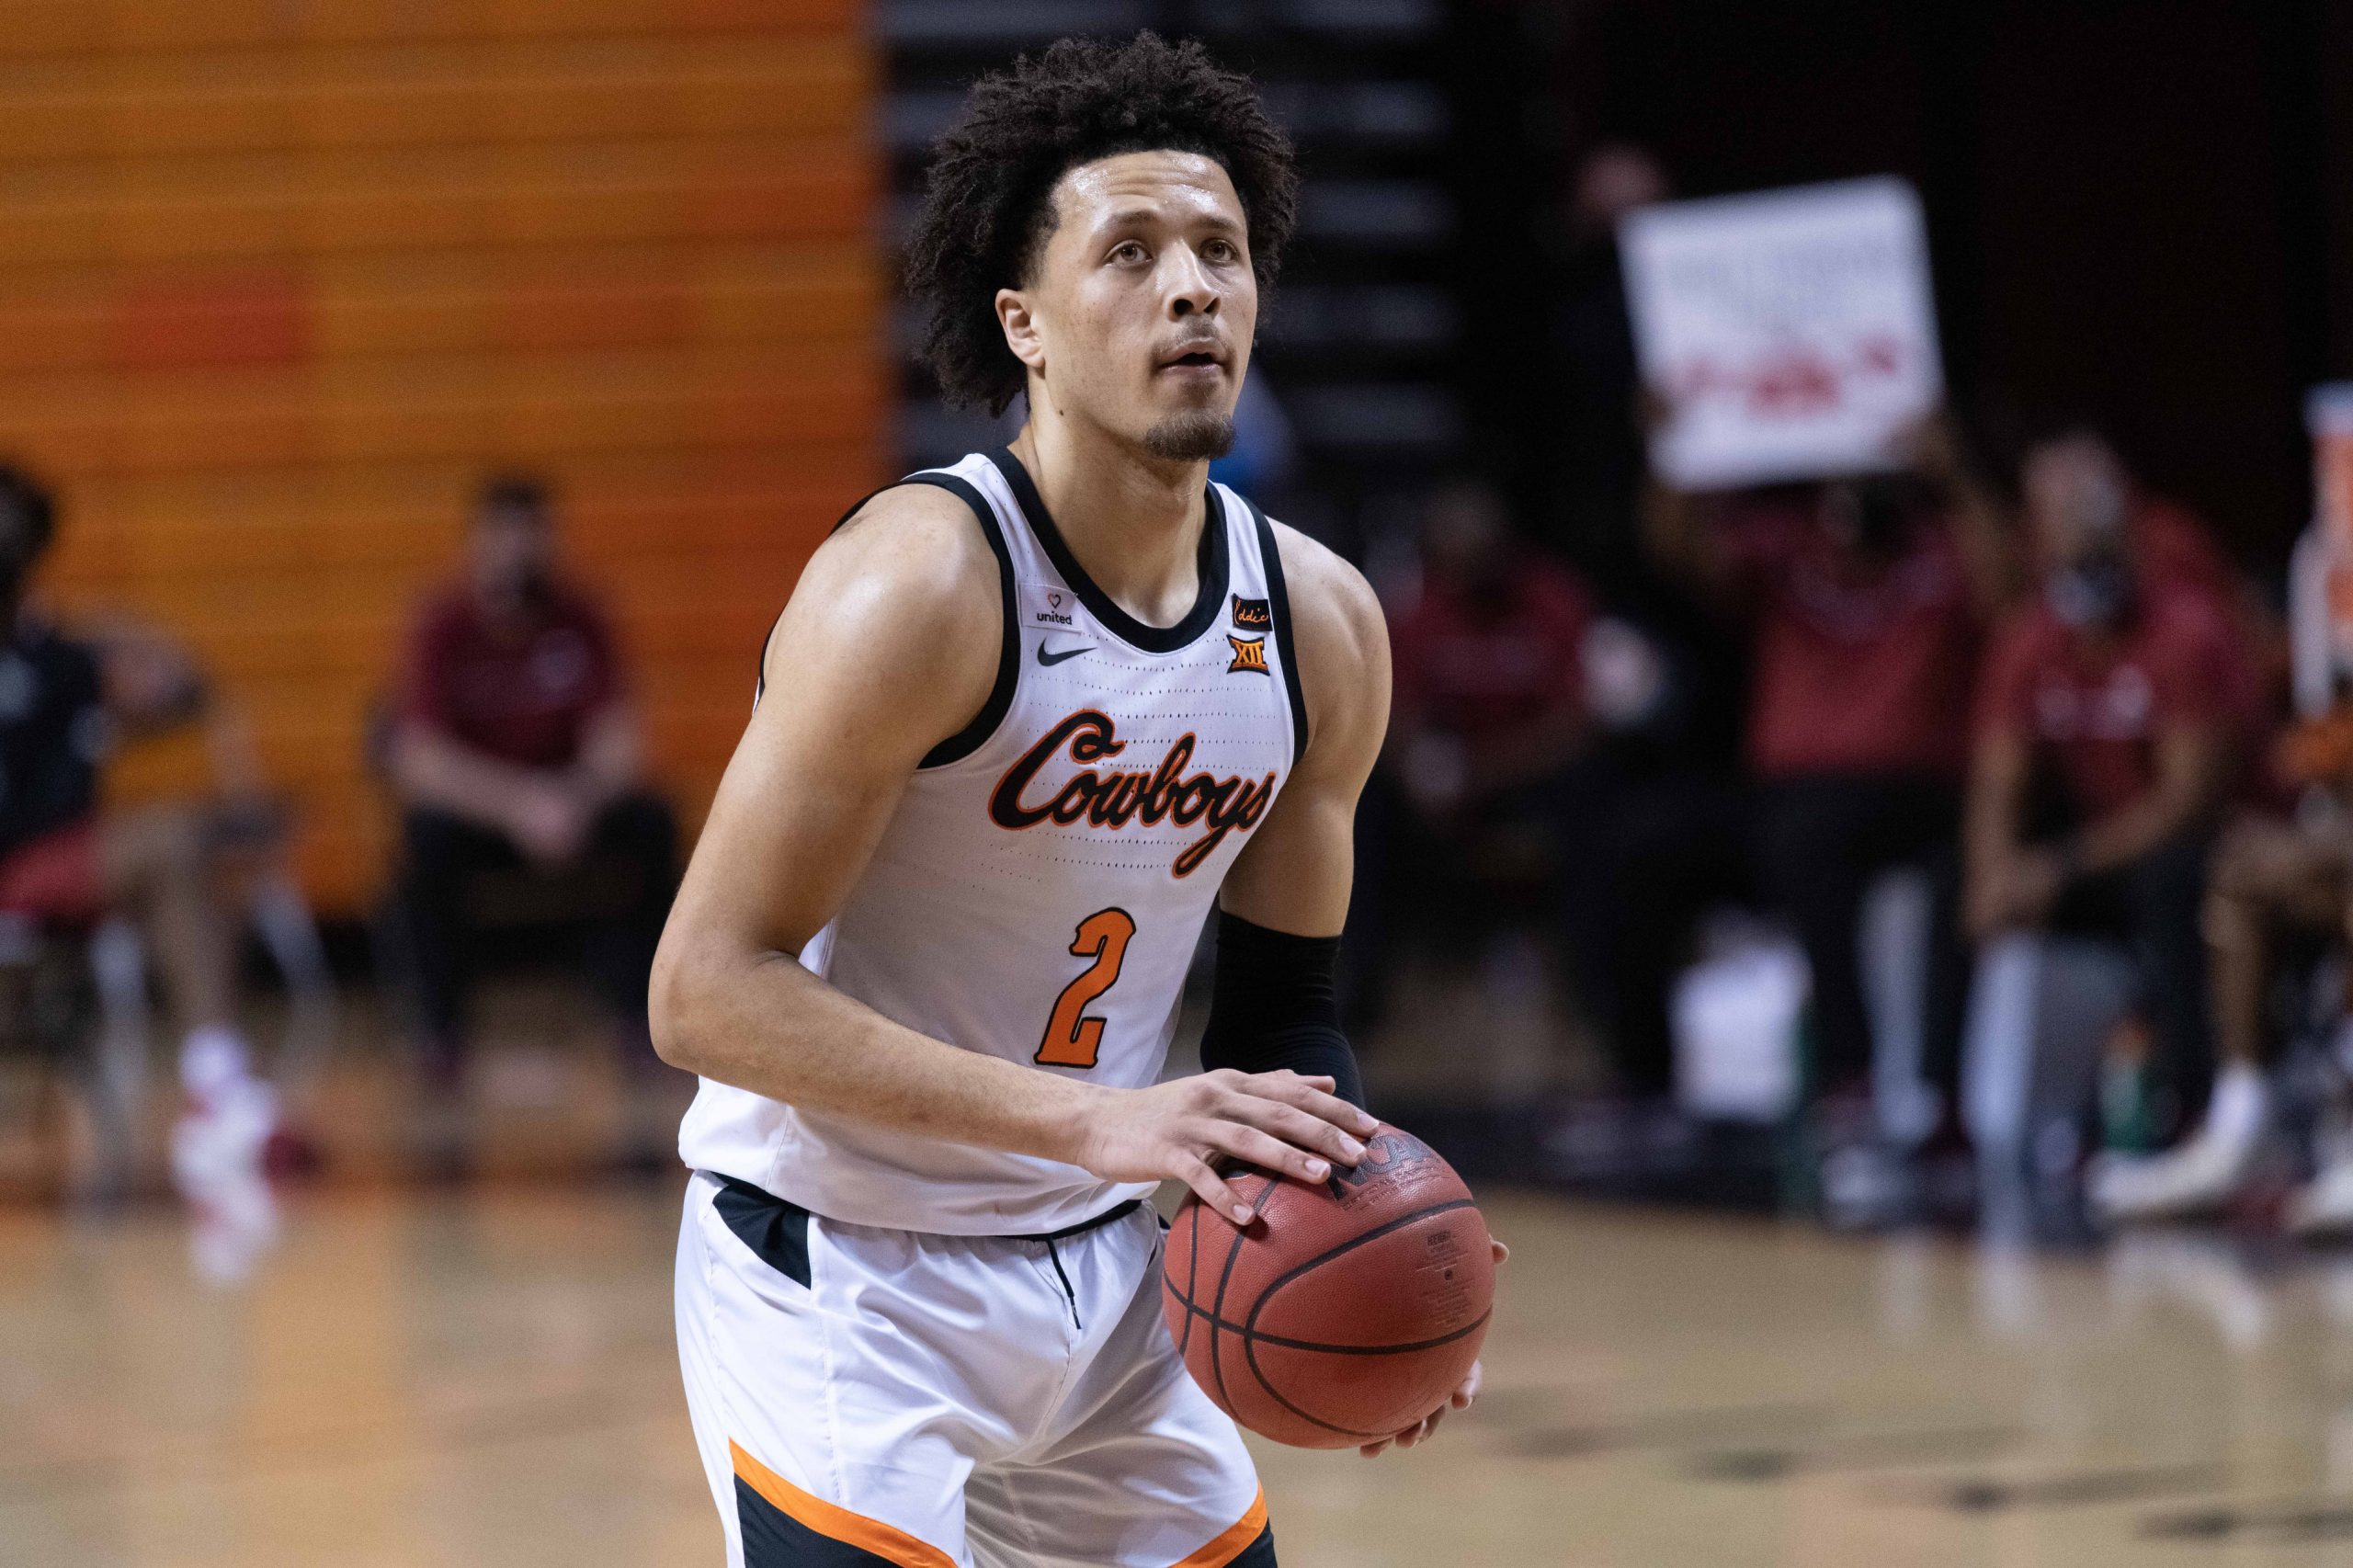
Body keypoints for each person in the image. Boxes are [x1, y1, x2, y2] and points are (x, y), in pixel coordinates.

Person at [651, 35, 1501, 1568]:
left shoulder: (1317, 624)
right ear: (1024, 325)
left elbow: (1281, 1028)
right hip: (847, 1269)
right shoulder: (918, 590)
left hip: (1116, 1273)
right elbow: (704, 992)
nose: (1193, 289)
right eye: (1132, 252)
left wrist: (1382, 1257)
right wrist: (1099, 1120)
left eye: (1223, 251)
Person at [1645, 418, 2019, 1137]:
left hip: (1928, 792)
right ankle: (1846, 1076)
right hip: (1804, 795)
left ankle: (1942, 1096)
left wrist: (1956, 476)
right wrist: (1682, 441)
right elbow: (1680, 550)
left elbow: (2008, 592)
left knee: (1966, 880)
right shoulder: (1789, 546)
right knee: (1741, 848)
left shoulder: (1944, 546)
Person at [1964, 430, 2241, 1218]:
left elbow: (2188, 801)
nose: (2081, 533)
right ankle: (1942, 1116)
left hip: (2192, 847)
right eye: (2061, 515)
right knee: (1961, 886)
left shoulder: (2185, 630)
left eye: (2095, 511)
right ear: (2034, 532)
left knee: (2175, 882)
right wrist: (1994, 878)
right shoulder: (2029, 639)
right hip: (2096, 856)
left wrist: (2058, 867)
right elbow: (1996, 780)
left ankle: (2186, 1114)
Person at [0, 465, 285, 1188]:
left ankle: (215, 1087)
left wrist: (119, 627)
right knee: (170, 841)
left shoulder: (62, 657)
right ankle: (217, 1083)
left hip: (48, 860)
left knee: (186, 850)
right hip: (19, 864)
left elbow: (187, 689)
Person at [387, 476, 678, 1119]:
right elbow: (421, 759)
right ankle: (440, 1034)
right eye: (503, 535)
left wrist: (573, 797)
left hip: (571, 808)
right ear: (477, 543)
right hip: (486, 816)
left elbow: (620, 743)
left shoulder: (582, 618)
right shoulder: (443, 623)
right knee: (422, 840)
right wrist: (520, 805)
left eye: (531, 534)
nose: (517, 551)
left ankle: (644, 1021)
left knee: (652, 824)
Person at [1353, 477, 1601, 1024]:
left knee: (1594, 801)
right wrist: (1416, 764)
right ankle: (1349, 1010)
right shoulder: (1416, 603)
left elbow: (1576, 724)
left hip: (1527, 779)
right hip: (1444, 783)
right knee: (1353, 806)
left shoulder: (1552, 597)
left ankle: (1594, 1006)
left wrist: (1482, 773)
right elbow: (1391, 706)